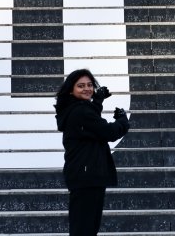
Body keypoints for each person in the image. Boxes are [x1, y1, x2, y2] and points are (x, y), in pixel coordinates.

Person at [54, 69, 130, 236]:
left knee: (83, 227)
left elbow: (90, 125)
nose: (87, 88)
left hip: (83, 175)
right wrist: (123, 121)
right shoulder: (81, 111)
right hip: (87, 177)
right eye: (81, 86)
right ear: (71, 90)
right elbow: (108, 132)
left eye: (89, 85)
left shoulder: (74, 109)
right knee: (85, 229)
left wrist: (97, 101)